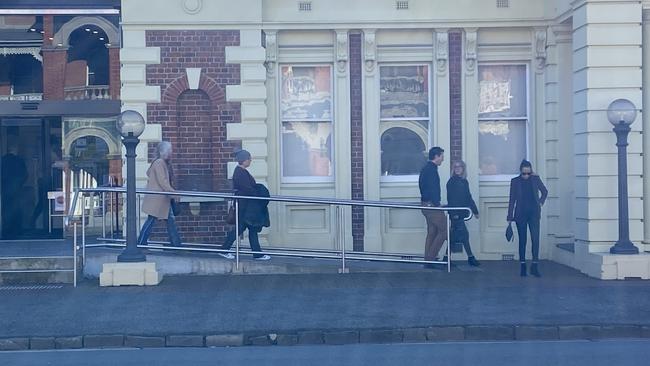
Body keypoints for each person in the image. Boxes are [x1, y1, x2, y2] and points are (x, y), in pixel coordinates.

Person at [220, 150, 271, 261]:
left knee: (248, 229)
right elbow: (247, 189)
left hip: (245, 206)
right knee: (245, 228)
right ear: (244, 160)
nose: (250, 161)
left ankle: (256, 254)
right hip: (245, 206)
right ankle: (225, 249)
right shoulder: (240, 172)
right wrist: (258, 193)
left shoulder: (240, 171)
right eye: (249, 159)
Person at [137, 141, 182, 248]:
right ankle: (140, 242)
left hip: (160, 199)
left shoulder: (161, 163)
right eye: (169, 150)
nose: (171, 152)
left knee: (167, 221)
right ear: (162, 152)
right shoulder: (159, 163)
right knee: (153, 220)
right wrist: (174, 193)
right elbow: (163, 181)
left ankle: (176, 244)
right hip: (158, 199)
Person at [507, 160, 548, 277]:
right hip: (520, 214)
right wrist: (509, 216)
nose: (526, 176)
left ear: (531, 172)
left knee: (535, 239)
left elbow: (545, 191)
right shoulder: (515, 181)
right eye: (524, 173)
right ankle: (523, 265)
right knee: (522, 240)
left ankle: (535, 265)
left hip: (534, 213)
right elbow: (512, 200)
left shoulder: (535, 179)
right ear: (520, 172)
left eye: (528, 173)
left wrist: (540, 202)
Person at [446, 160, 481, 267]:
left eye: (459, 167)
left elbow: (468, 197)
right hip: (456, 213)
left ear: (463, 168)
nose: (457, 169)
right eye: (455, 167)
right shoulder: (451, 182)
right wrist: (454, 213)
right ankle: (471, 258)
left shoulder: (464, 181)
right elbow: (451, 199)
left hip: (462, 212)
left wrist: (475, 211)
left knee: (454, 236)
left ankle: (446, 258)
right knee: (464, 235)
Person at [418, 146, 447, 267]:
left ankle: (427, 259)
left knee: (432, 231)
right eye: (442, 156)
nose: (443, 159)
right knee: (444, 231)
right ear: (436, 156)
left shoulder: (426, 168)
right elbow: (433, 189)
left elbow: (422, 186)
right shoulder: (432, 170)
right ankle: (430, 258)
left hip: (426, 204)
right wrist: (437, 204)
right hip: (431, 205)